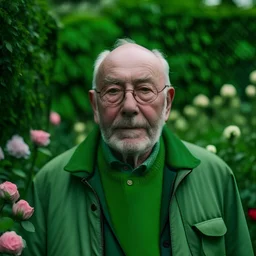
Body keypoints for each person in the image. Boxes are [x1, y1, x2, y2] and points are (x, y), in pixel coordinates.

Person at [22, 38, 254, 256]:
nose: (130, 106)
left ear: (167, 103)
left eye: (144, 90)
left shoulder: (216, 176)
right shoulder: (48, 185)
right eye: (113, 91)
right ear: (95, 105)